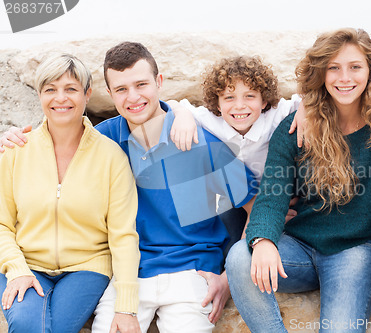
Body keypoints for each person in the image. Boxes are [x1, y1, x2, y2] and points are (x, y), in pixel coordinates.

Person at [0, 42, 257, 332]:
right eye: (121, 89)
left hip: (193, 272)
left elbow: (257, 206)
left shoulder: (199, 140)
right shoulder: (105, 139)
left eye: (141, 85)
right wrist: (12, 138)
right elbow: (59, 134)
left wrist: (228, 279)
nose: (133, 97)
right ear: (108, 94)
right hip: (129, 274)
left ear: (159, 83)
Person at [224, 28, 371, 333]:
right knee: (241, 256)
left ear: (369, 72)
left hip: (356, 252)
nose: (345, 77)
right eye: (334, 68)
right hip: (298, 251)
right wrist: (263, 239)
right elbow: (272, 197)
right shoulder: (295, 130)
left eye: (355, 67)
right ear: (321, 73)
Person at [0, 54, 140, 333]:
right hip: (25, 262)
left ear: (87, 94)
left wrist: (126, 306)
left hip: (87, 268)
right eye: (50, 89)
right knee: (27, 323)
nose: (60, 98)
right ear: (40, 95)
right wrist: (16, 269)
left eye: (71, 89)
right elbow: (2, 223)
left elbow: (123, 235)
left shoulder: (111, 156)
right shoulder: (16, 151)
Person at [167, 55, 301, 256]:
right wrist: (182, 115)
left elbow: (308, 100)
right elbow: (170, 105)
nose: (239, 105)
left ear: (264, 101)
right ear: (218, 104)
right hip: (237, 199)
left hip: (279, 197)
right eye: (229, 97)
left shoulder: (276, 114)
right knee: (227, 241)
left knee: (281, 230)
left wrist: (306, 108)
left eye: (249, 96)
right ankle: (228, 267)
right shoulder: (210, 120)